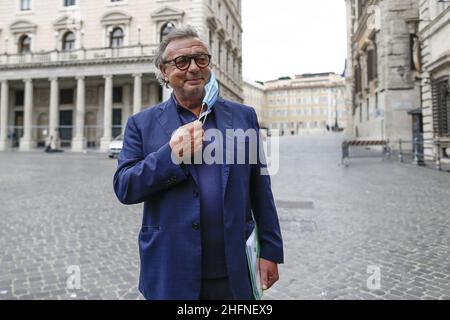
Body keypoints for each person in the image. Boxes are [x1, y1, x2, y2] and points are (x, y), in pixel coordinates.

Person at [113, 26, 283, 300]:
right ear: (164, 72)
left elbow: (260, 188)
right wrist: (170, 155)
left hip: (234, 267)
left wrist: (271, 250)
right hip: (171, 268)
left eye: (201, 59)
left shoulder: (243, 117)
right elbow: (125, 187)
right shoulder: (141, 124)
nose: (193, 67)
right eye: (182, 61)